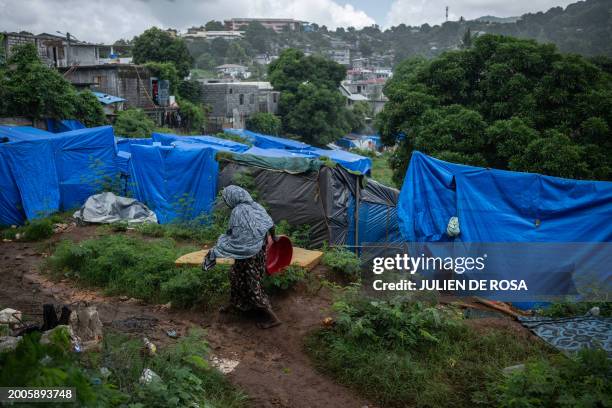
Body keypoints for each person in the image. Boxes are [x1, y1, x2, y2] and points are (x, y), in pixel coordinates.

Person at [203, 185, 282, 329]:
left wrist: (221, 248)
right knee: (235, 274)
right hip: (259, 250)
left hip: (248, 254)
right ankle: (235, 303)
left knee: (251, 284)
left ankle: (272, 317)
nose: (226, 202)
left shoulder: (238, 212)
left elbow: (236, 237)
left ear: (232, 198)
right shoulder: (256, 206)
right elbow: (269, 223)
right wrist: (274, 237)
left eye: (226, 198)